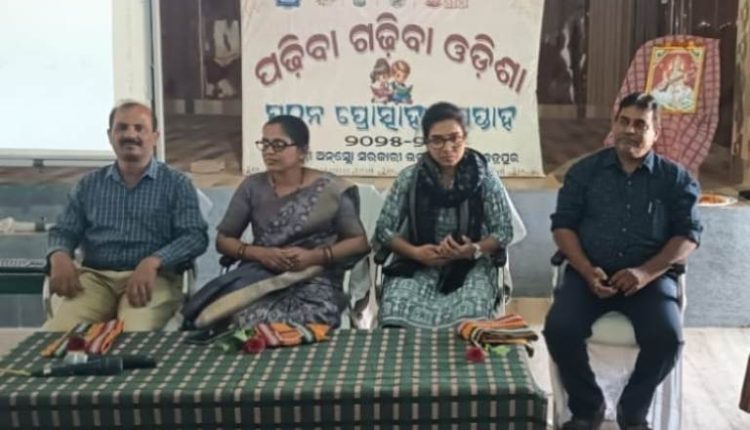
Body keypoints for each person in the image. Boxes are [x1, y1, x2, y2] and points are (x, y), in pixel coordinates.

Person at [544, 92, 703, 430]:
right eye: (624, 121)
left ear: (656, 133)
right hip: (590, 274)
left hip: (649, 279)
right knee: (559, 328)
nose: (630, 130)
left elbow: (688, 235)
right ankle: (587, 408)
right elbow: (563, 226)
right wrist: (586, 269)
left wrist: (645, 273)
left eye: (640, 125)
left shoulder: (675, 179)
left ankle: (633, 411)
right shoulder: (585, 172)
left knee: (667, 338)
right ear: (614, 125)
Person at [182, 115, 370, 329]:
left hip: (315, 277)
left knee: (311, 319)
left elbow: (358, 242)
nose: (269, 152)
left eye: (279, 145)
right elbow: (224, 240)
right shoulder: (252, 187)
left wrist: (314, 256)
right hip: (259, 276)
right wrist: (260, 254)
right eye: (265, 144)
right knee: (240, 319)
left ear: (302, 152)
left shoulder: (331, 189)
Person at [44, 101, 209, 332]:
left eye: (139, 128)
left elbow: (194, 237)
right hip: (95, 279)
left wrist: (153, 262)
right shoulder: (88, 185)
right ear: (110, 135)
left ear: (155, 137)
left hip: (154, 278)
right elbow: (63, 230)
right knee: (58, 334)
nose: (130, 135)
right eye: (122, 128)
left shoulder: (177, 184)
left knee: (134, 336)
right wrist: (59, 255)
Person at [373, 101, 514, 328]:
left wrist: (473, 249)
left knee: (472, 312)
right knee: (395, 306)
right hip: (419, 263)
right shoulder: (410, 178)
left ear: (465, 137)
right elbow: (384, 230)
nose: (447, 148)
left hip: (471, 265)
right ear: (426, 142)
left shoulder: (485, 178)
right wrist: (415, 252)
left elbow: (504, 231)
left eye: (454, 138)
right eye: (437, 140)